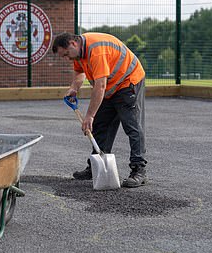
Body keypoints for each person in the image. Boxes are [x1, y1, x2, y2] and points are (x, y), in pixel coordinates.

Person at [52, 32, 148, 188]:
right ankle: (96, 166)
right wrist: (73, 88)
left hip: (128, 82)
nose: (67, 58)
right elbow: (79, 72)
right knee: (101, 125)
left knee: (132, 127)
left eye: (66, 54)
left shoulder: (96, 50)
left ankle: (139, 170)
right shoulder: (79, 54)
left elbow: (100, 86)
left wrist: (89, 116)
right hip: (110, 87)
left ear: (72, 43)